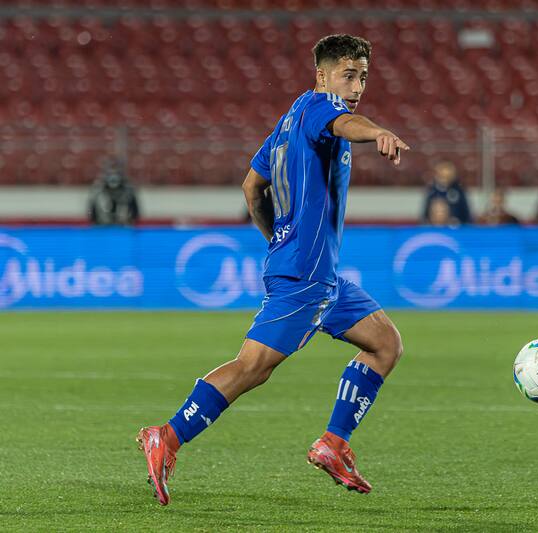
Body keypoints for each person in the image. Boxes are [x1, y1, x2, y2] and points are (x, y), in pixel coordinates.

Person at [136, 34, 410, 504]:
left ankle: (334, 443)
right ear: (322, 75)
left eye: (363, 75)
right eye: (348, 74)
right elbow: (347, 123)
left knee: (385, 343)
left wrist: (278, 241)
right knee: (252, 367)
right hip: (305, 277)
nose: (358, 84)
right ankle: (168, 435)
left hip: (316, 275)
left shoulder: (289, 121)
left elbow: (251, 187)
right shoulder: (323, 108)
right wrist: (378, 132)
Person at [87, 159, 139, 226]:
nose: (113, 176)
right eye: (110, 172)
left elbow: (135, 209)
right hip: (102, 225)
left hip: (123, 225)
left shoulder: (128, 190)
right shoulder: (98, 189)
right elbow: (91, 208)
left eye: (116, 172)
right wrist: (93, 220)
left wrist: (132, 220)